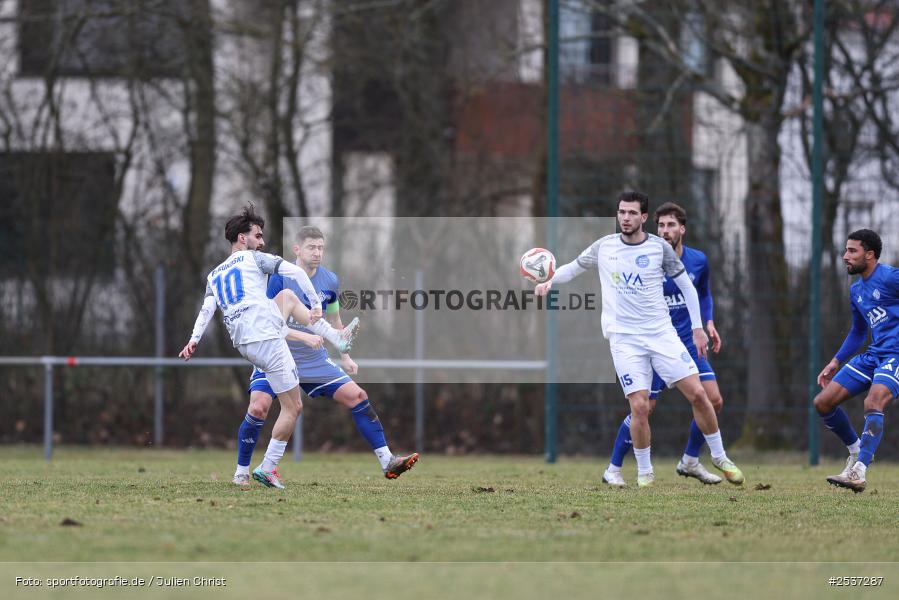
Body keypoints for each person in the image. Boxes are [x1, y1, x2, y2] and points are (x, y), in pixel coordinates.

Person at [535, 191, 743, 487]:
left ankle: (719, 456)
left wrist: (698, 327)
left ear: (644, 217)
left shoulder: (659, 249)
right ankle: (645, 474)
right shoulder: (604, 247)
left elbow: (687, 286)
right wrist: (549, 282)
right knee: (641, 407)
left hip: (662, 335)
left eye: (632, 213)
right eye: (621, 212)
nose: (625, 218)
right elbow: (573, 268)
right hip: (624, 340)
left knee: (699, 394)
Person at [234, 226, 419, 486]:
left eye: (321, 247)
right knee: (258, 407)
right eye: (311, 247)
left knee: (358, 396)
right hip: (276, 354)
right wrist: (304, 337)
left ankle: (387, 461)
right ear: (297, 249)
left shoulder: (330, 280)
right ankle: (241, 472)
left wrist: (345, 355)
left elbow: (335, 321)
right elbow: (268, 324)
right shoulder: (280, 278)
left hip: (313, 360)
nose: (317, 252)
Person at [179, 205, 323, 490]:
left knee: (259, 407)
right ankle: (267, 468)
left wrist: (194, 340)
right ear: (242, 239)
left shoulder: (215, 274)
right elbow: (295, 271)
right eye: (258, 235)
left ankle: (241, 472)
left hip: (245, 345)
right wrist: (316, 303)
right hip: (268, 340)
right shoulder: (255, 259)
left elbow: (207, 309)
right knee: (293, 407)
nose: (262, 241)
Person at [603, 202, 729, 486]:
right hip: (652, 341)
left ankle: (690, 460)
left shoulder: (698, 261)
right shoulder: (646, 258)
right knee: (643, 407)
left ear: (682, 229)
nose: (665, 231)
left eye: (671, 225)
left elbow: (703, 294)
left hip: (684, 341)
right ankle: (614, 466)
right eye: (660, 226)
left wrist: (707, 323)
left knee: (712, 399)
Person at [814, 229, 897, 493]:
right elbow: (859, 332)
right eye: (845, 250)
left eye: (852, 251)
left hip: (896, 355)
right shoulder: (856, 290)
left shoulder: (891, 278)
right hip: (874, 354)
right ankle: (856, 451)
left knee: (873, 402)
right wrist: (835, 362)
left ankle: (859, 471)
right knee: (823, 402)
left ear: (869, 255)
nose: (845, 257)